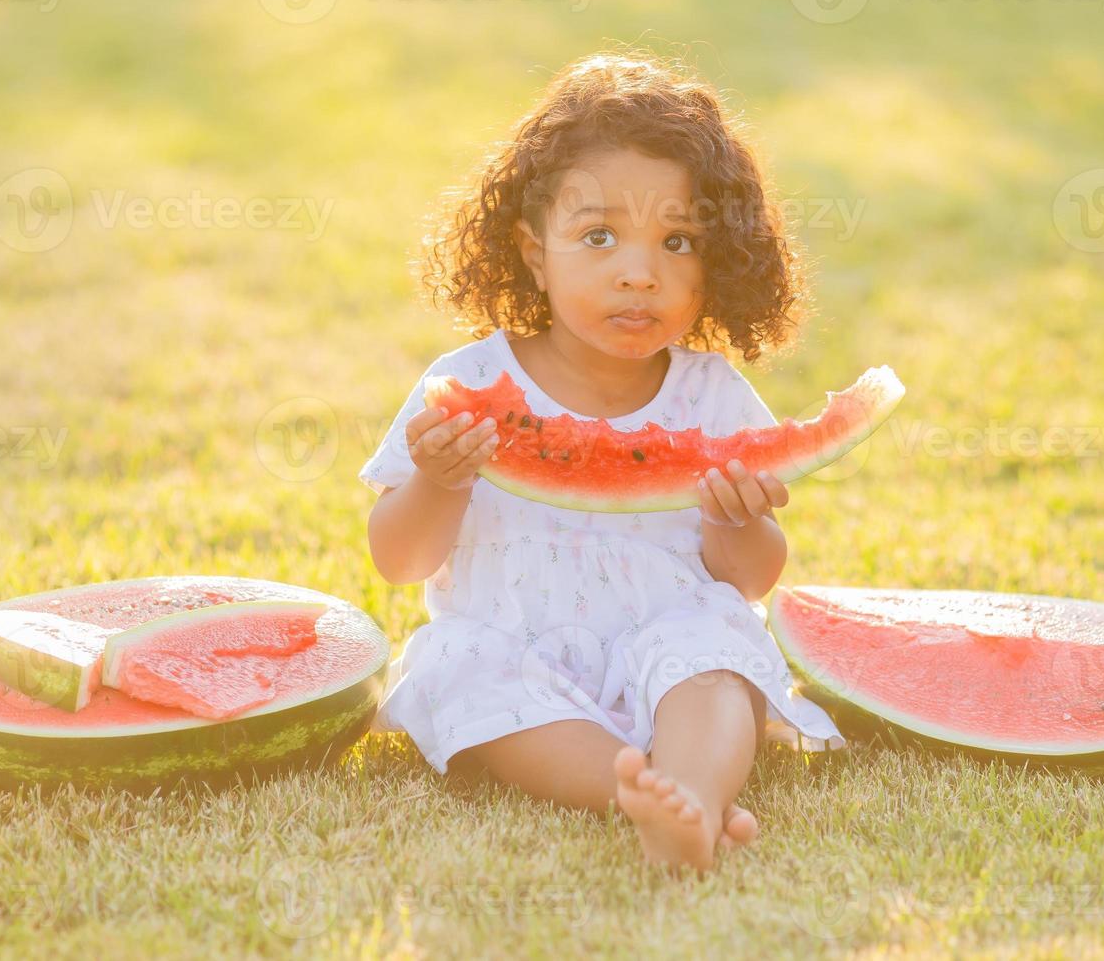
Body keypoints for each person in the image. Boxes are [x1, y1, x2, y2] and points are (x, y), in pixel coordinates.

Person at [361, 50, 843, 872]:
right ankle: (646, 796)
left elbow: (752, 578)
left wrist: (739, 522)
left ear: (716, 261)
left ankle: (689, 792)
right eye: (598, 237)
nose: (638, 273)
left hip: (669, 643)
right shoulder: (468, 384)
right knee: (456, 668)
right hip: (515, 651)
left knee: (719, 652)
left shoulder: (710, 394)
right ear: (533, 250)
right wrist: (440, 483)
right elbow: (399, 559)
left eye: (679, 241)